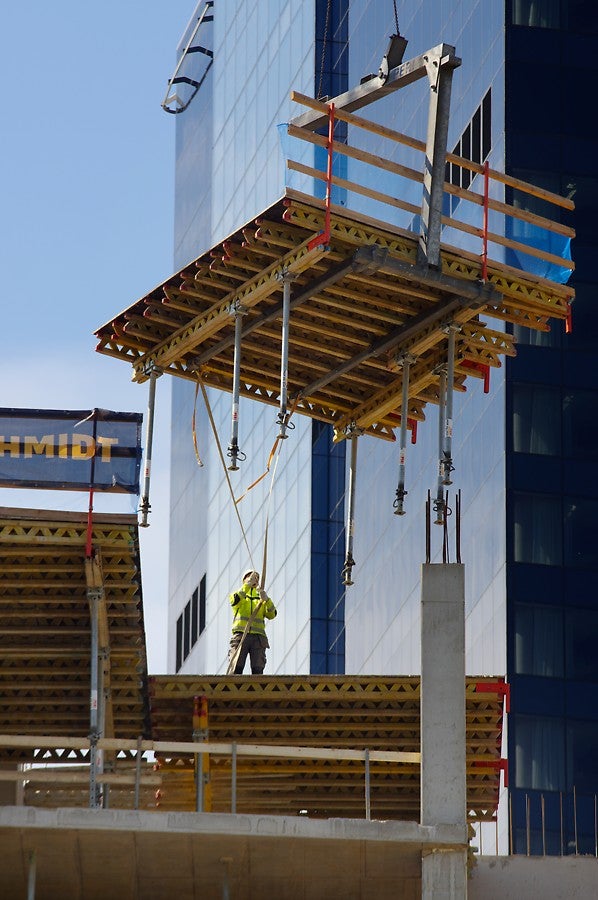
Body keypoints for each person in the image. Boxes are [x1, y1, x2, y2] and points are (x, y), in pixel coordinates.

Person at [228, 570, 277, 674]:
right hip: (241, 635)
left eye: (256, 578)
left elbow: (272, 614)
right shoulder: (239, 595)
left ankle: (255, 689)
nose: (254, 579)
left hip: (258, 638)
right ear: (244, 580)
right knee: (236, 666)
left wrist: (267, 600)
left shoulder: (261, 598)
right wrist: (248, 585)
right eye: (249, 577)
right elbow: (235, 601)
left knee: (258, 668)